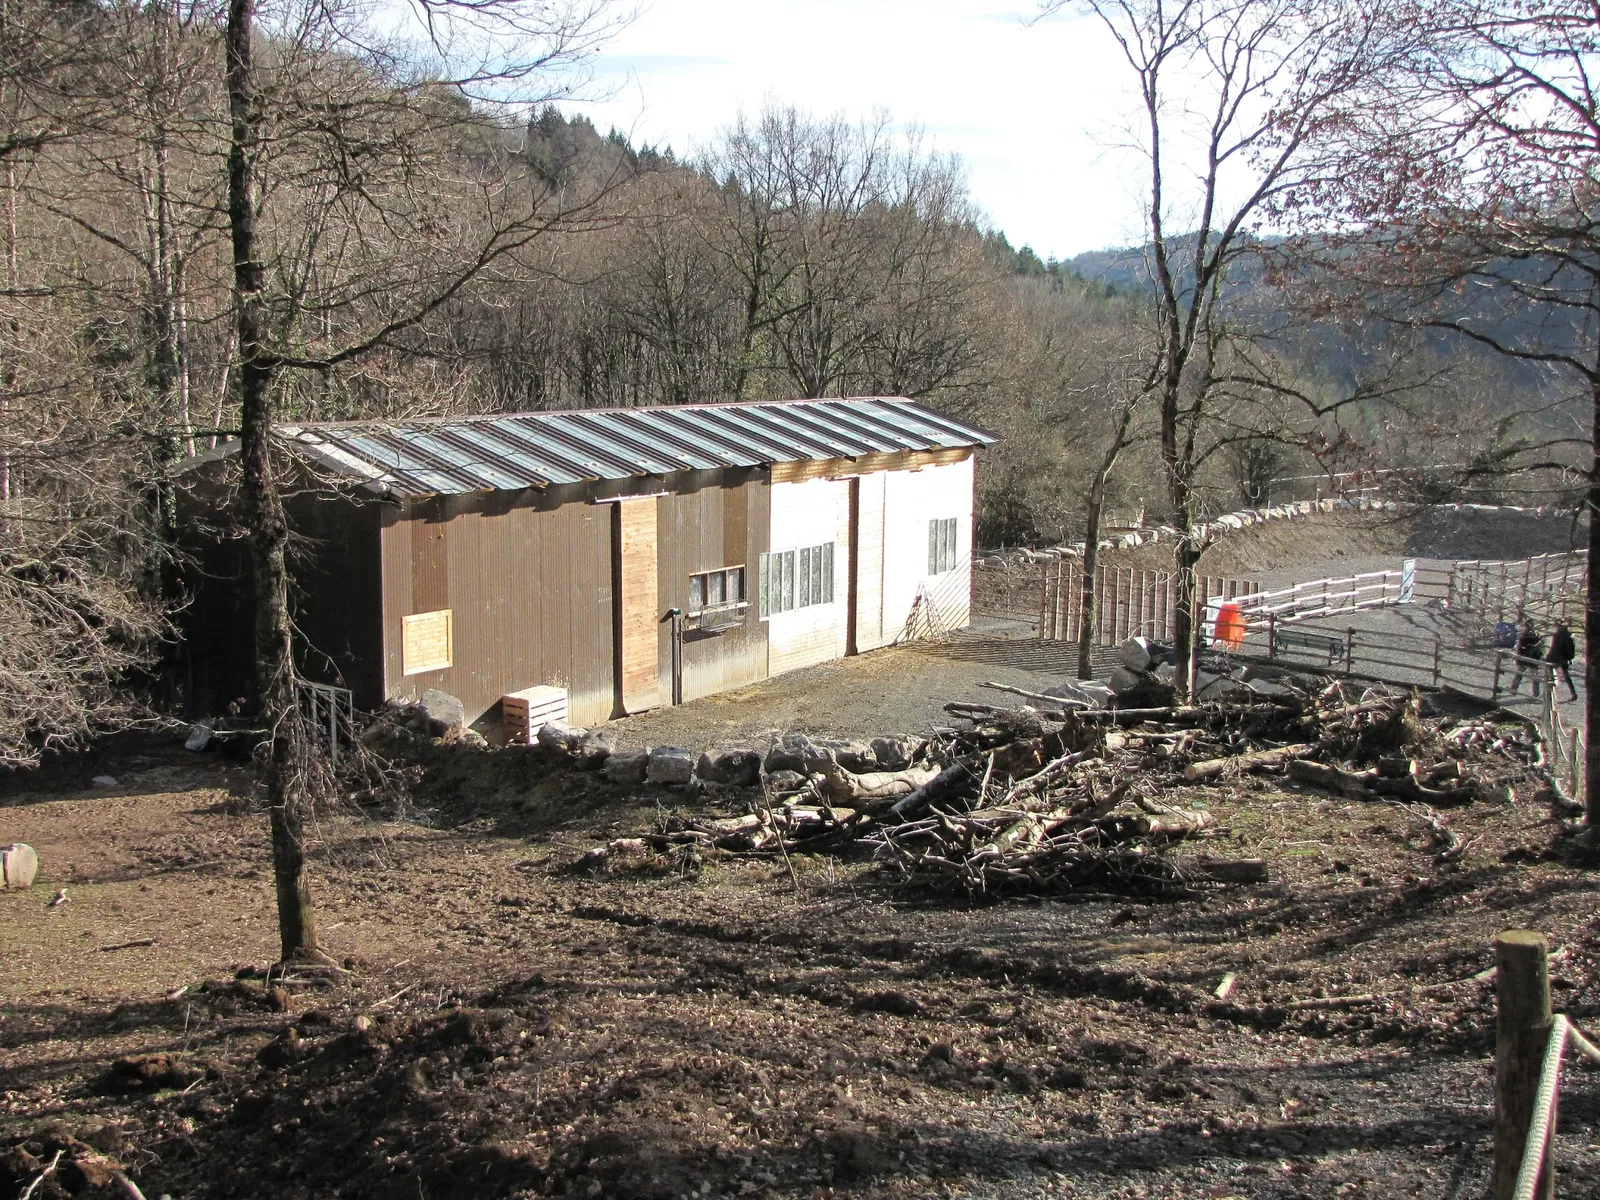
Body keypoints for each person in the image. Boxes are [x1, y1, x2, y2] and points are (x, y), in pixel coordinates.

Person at [1509, 620, 1544, 697]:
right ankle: (1514, 689)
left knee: (1530, 675)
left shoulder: (1530, 636)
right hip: (1525, 658)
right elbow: (1524, 647)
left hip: (1529, 658)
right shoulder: (1527, 636)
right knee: (1520, 674)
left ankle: (1535, 693)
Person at [1547, 619, 1579, 702]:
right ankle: (1573, 693)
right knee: (1567, 676)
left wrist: (1549, 658)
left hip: (1557, 658)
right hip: (1565, 658)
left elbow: (1555, 648)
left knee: (1550, 675)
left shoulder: (1558, 635)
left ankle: (1551, 694)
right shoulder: (1569, 634)